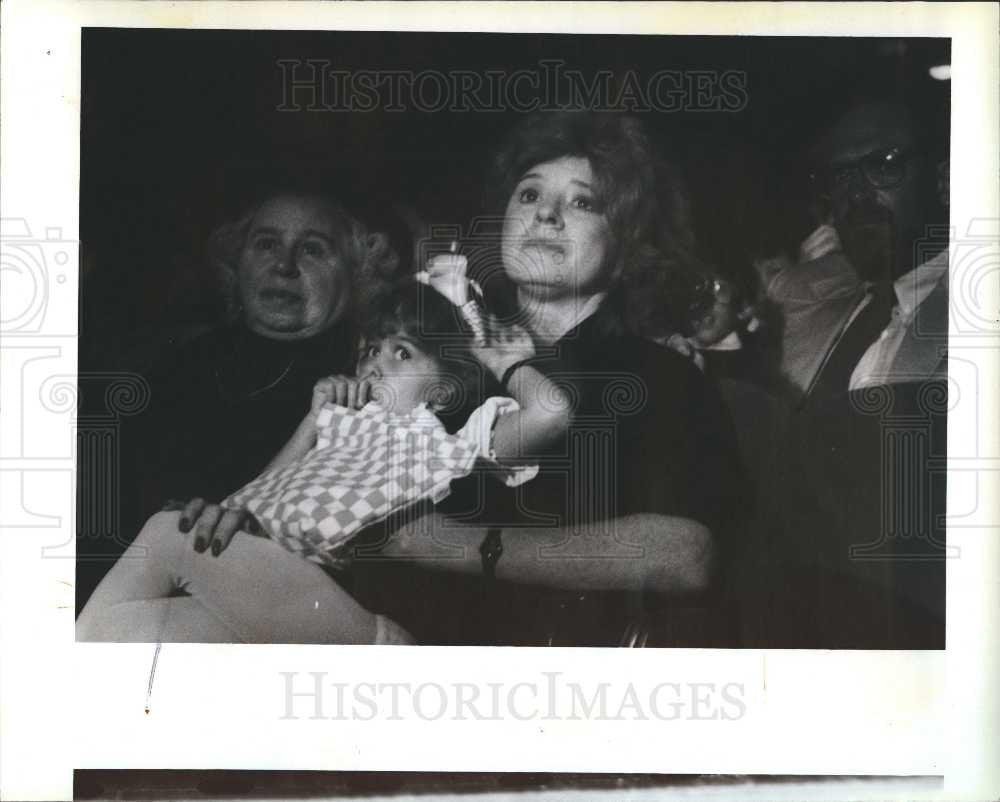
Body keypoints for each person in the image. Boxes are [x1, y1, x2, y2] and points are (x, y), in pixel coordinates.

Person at [352, 112, 746, 646]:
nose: (547, 216)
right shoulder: (441, 364)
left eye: (583, 202)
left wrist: (455, 545)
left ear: (627, 245)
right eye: (529, 195)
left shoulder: (654, 374)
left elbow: (684, 553)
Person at [77, 281, 572, 643]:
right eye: (370, 350)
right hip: (270, 594)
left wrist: (501, 360)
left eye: (402, 353)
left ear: (442, 390)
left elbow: (551, 413)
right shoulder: (336, 427)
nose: (375, 362)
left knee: (170, 532)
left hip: (336, 602)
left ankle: (381, 646)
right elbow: (253, 501)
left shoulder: (450, 445)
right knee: (131, 636)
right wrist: (315, 418)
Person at [76, 191, 400, 611]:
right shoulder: (180, 361)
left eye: (312, 249)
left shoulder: (364, 374)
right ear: (238, 262)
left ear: (358, 271)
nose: (283, 266)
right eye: (265, 244)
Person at [774, 90, 950, 647]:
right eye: (838, 180)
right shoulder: (850, 316)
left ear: (945, 180)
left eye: (884, 166)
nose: (854, 196)